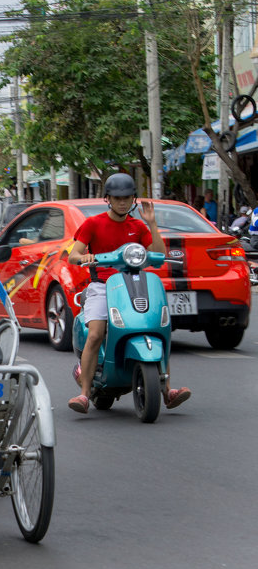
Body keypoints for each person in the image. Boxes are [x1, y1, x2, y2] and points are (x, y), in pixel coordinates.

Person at [67, 173, 191, 415]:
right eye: (117, 198)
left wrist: (152, 223)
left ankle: (166, 390)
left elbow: (156, 255)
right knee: (95, 334)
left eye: (127, 198)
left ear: (133, 199)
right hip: (102, 286)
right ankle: (83, 394)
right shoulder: (93, 224)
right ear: (108, 199)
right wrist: (86, 257)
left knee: (158, 327)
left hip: (134, 282)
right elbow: (73, 255)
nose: (122, 202)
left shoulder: (138, 226)